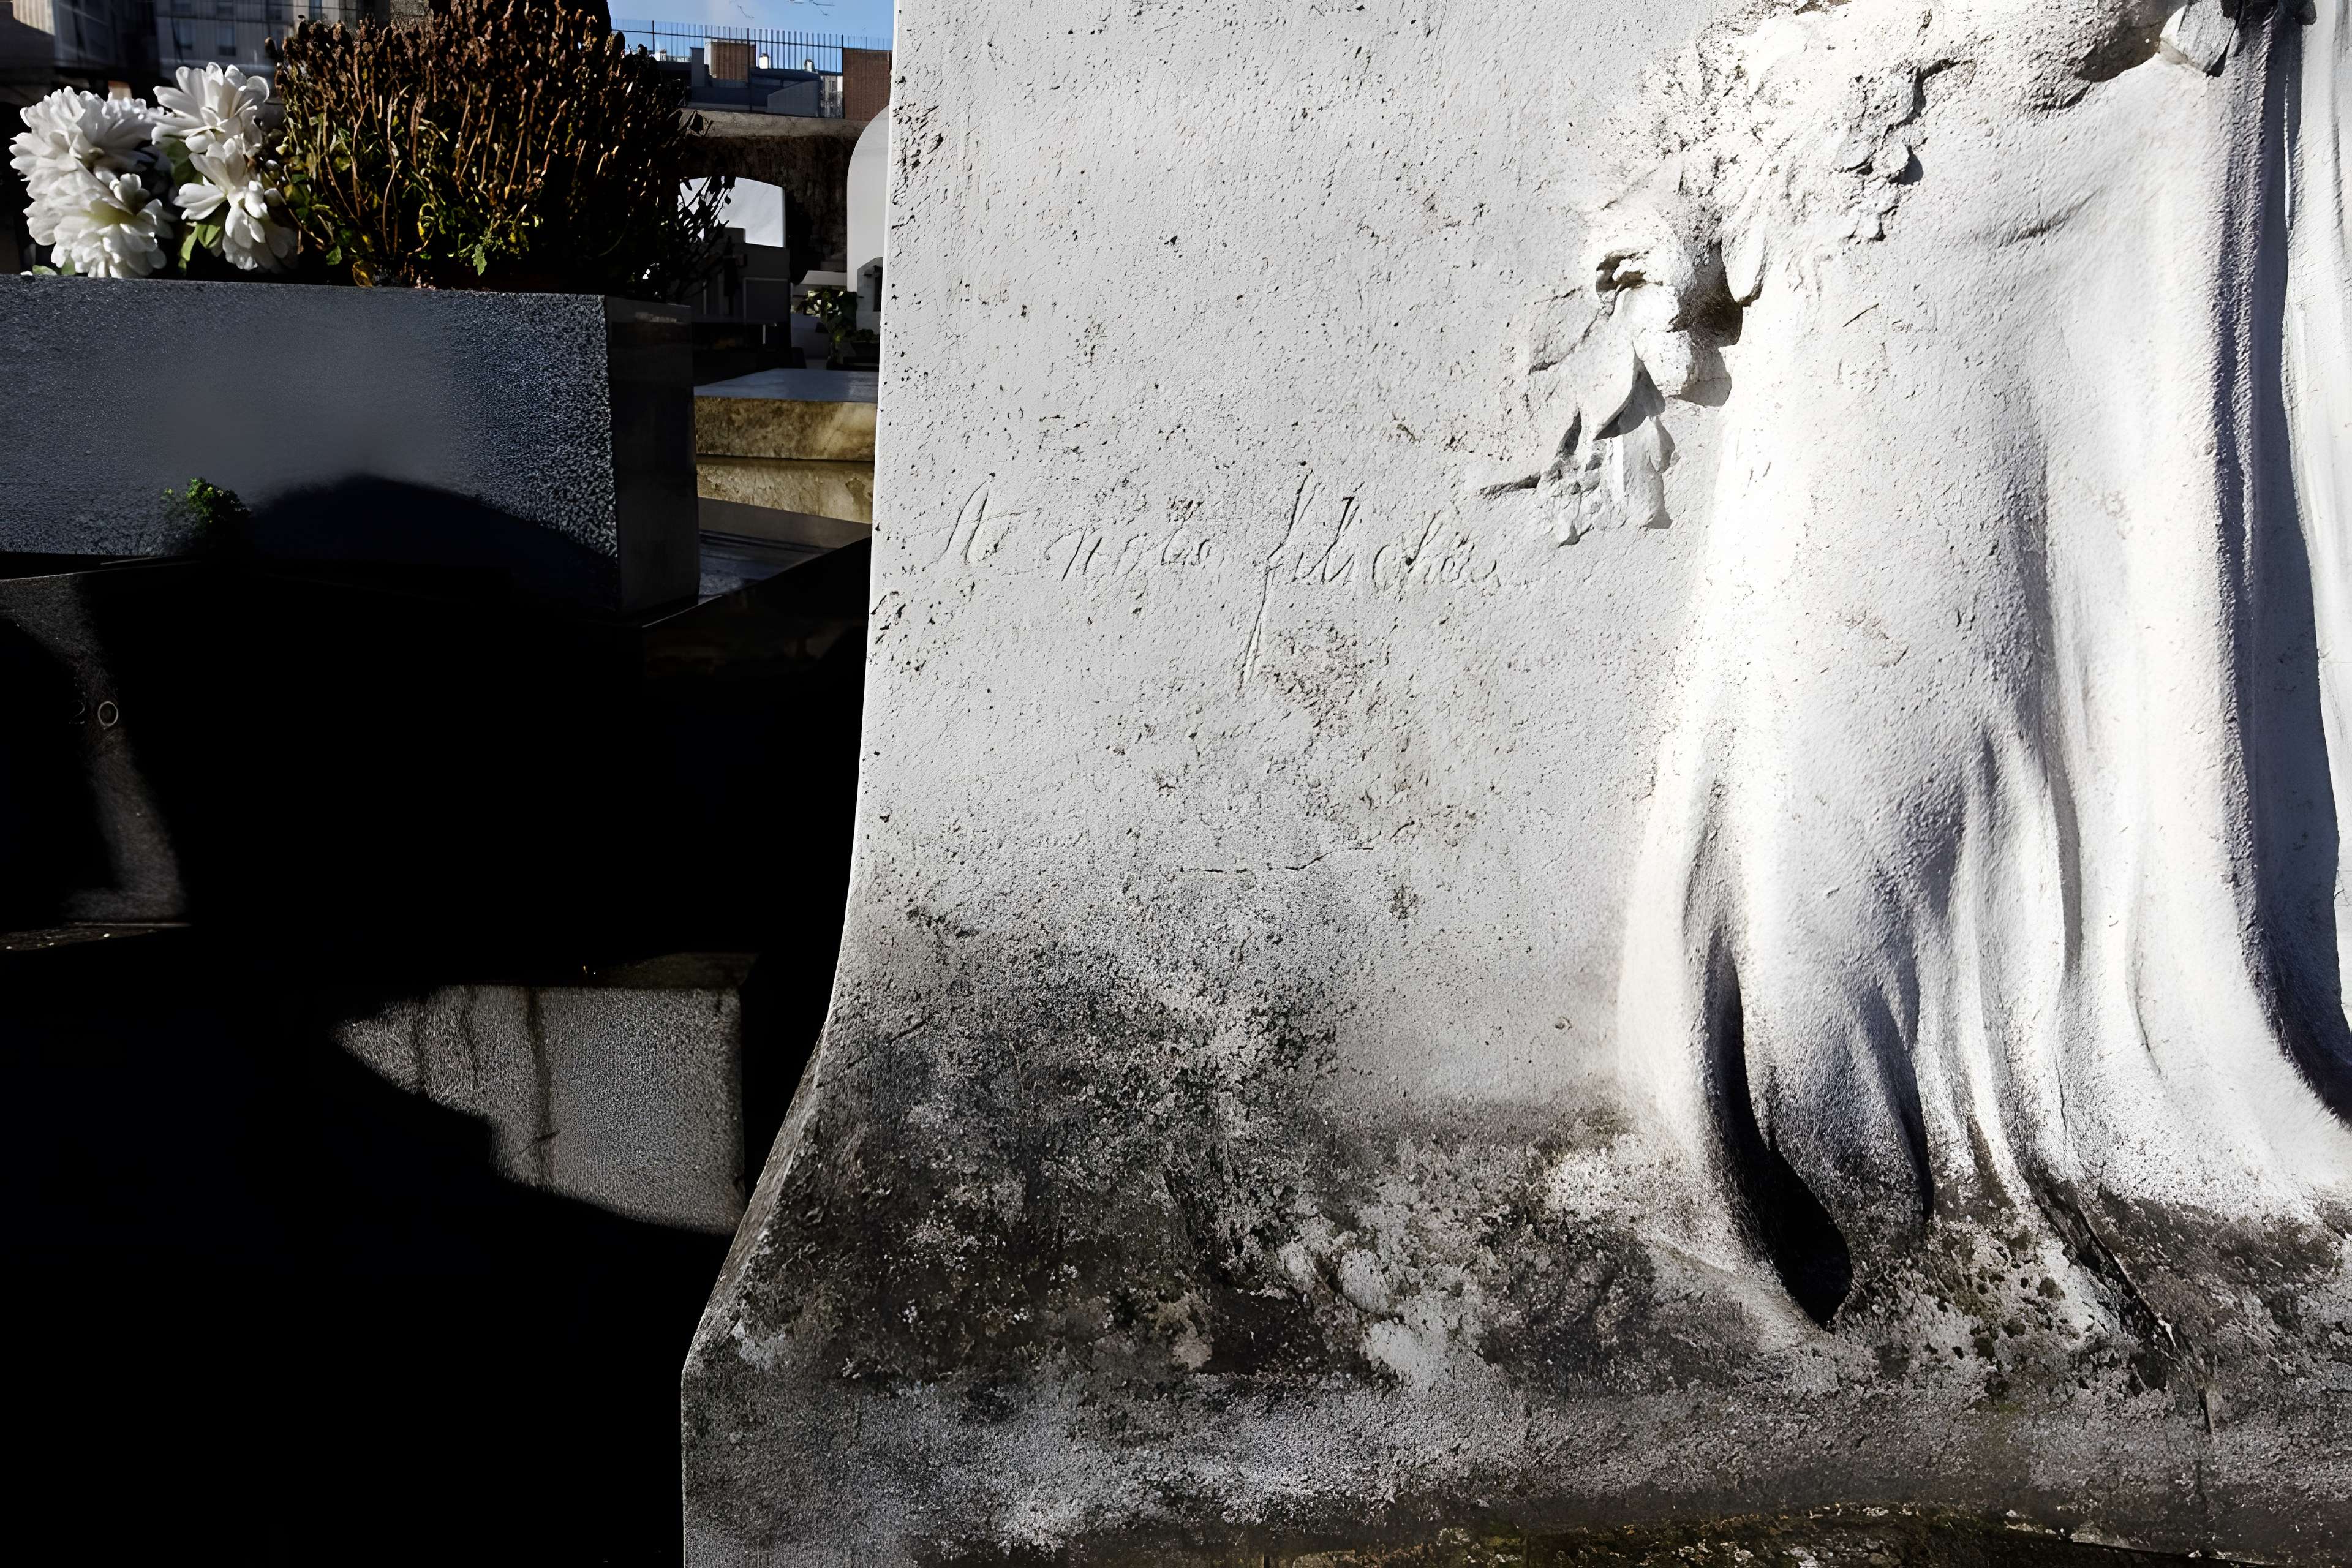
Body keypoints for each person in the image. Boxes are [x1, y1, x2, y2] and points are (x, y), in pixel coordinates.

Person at [1528, 0, 2352, 1321]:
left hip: (1973, 350)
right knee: (1805, 851)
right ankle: (1836, 1177)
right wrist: (1697, 195)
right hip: (1859, 358)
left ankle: (1893, 1188)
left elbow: (2072, 45)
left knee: (1883, 819)